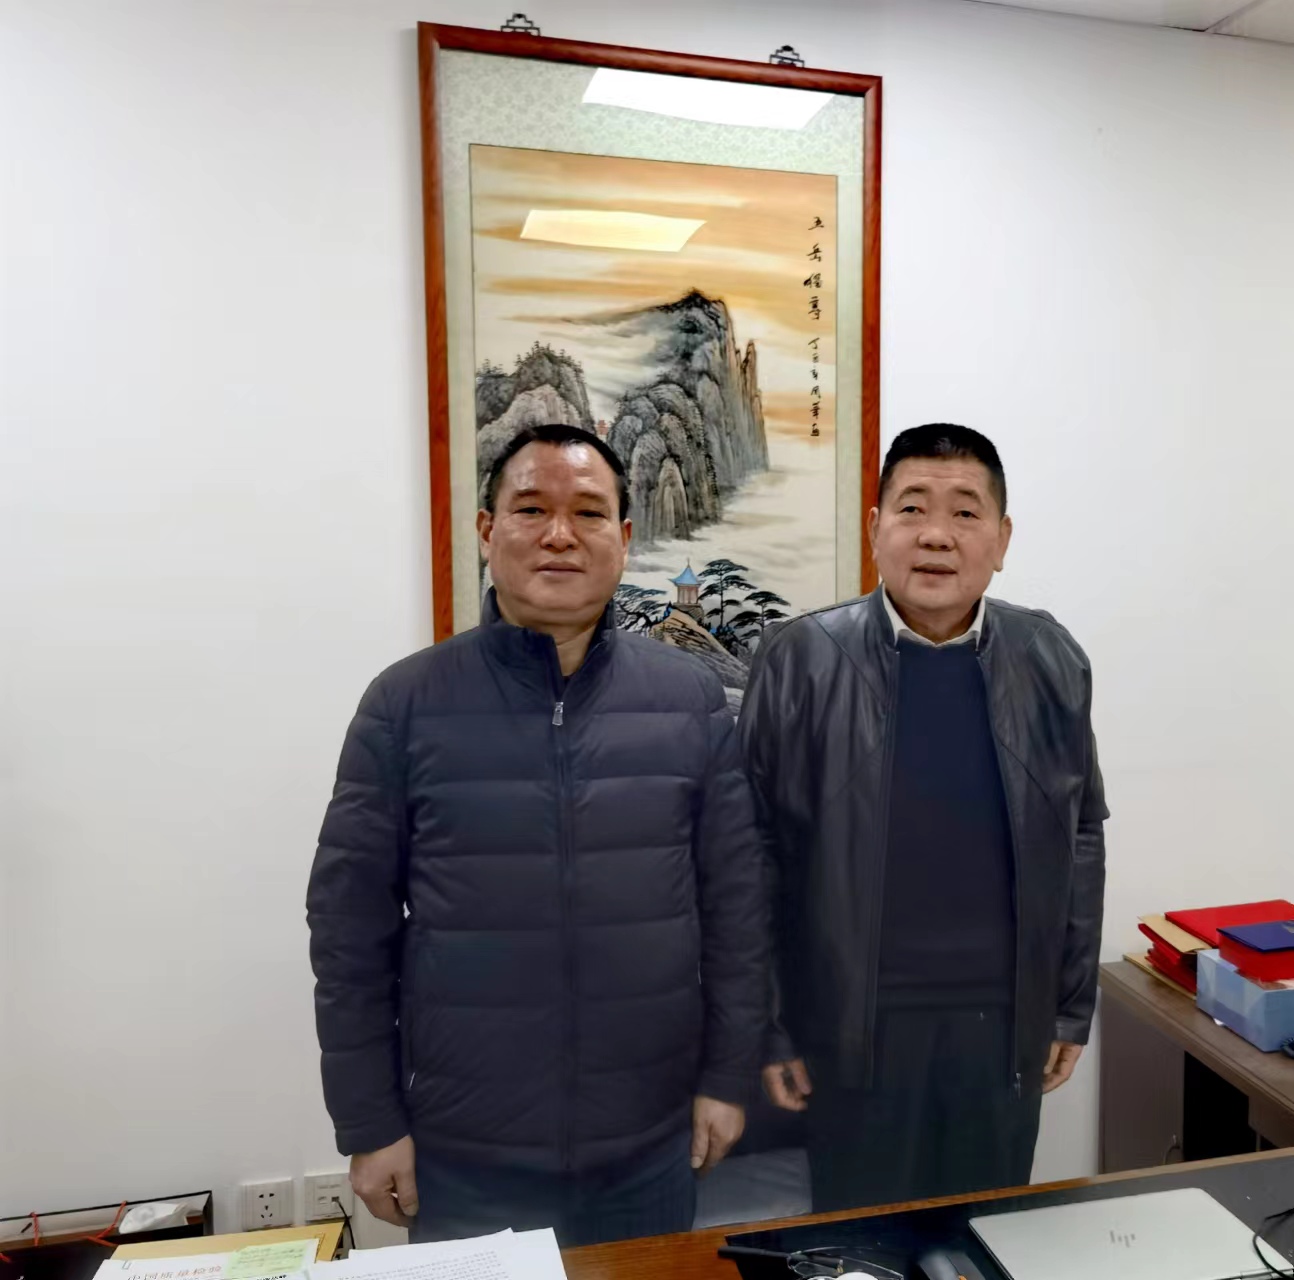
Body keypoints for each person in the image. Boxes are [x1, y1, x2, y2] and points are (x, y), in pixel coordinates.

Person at [307, 423, 766, 1246]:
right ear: (488, 531)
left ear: (624, 537)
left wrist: (728, 1077)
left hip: (649, 1145)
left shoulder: (689, 700)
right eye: (531, 509)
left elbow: (737, 911)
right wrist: (369, 1123)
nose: (560, 534)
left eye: (588, 512)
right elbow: (348, 933)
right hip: (463, 1154)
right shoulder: (405, 705)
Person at [740, 423, 1106, 1212]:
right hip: (851, 1029)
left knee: (985, 1238)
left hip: (1002, 1032)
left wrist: (1071, 1003)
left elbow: (1081, 833)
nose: (937, 534)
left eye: (966, 512)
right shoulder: (800, 659)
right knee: (862, 1244)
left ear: (1001, 539)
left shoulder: (1050, 657)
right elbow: (753, 852)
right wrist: (769, 1024)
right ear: (877, 528)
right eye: (913, 508)